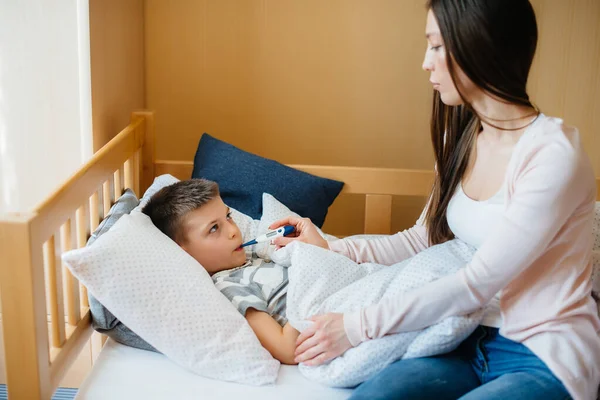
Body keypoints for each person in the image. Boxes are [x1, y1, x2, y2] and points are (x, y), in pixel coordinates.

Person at [270, 0, 600, 399]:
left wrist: (355, 326)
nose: (426, 62)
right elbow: (422, 239)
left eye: (438, 46)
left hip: (541, 352)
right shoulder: (461, 138)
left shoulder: (553, 154)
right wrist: (331, 247)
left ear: (481, 46)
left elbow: (477, 282)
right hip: (457, 337)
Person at [142, 179, 299, 365]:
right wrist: (309, 276)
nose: (233, 230)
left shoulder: (249, 255)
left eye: (228, 216)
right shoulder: (231, 287)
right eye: (214, 228)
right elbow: (288, 349)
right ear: (182, 253)